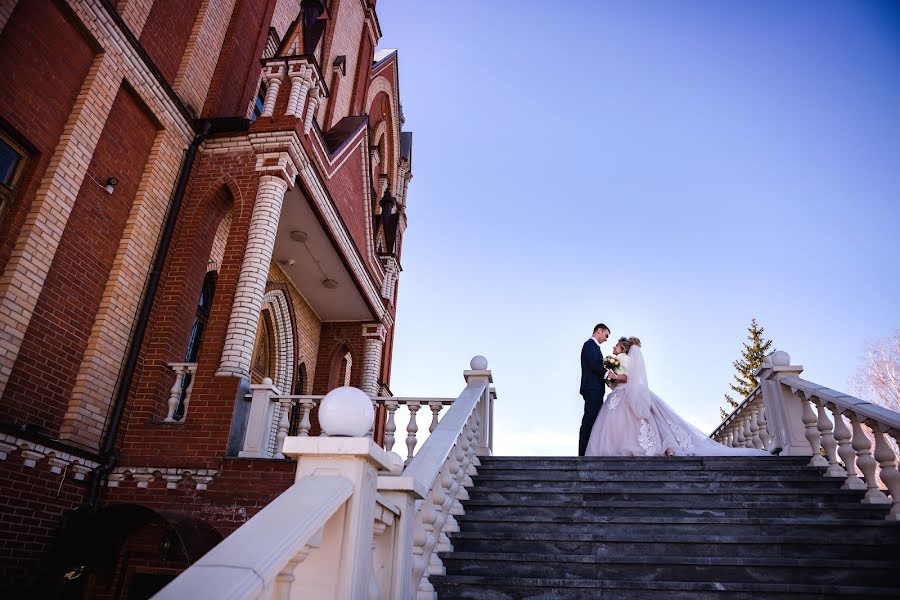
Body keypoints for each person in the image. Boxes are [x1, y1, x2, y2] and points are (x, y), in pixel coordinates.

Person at [585, 336, 767, 457]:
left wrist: (615, 377)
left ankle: (626, 448)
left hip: (625, 393)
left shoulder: (624, 359)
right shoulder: (622, 359)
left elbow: (629, 377)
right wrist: (613, 381)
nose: (613, 347)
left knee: (626, 422)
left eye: (616, 345)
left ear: (623, 348)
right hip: (620, 393)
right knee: (627, 423)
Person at [579, 323, 610, 456]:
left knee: (593, 419)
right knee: (590, 419)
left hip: (596, 388)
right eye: (606, 335)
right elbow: (593, 363)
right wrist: (608, 374)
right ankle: (583, 454)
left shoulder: (595, 347)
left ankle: (589, 452)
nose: (606, 339)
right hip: (592, 387)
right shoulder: (589, 345)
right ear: (599, 330)